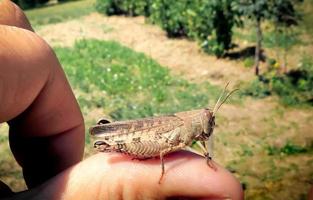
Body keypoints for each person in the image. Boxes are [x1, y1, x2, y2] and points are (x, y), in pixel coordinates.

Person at [0, 0, 243, 199]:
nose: (209, 123)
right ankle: (112, 138)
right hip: (147, 137)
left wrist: (207, 157)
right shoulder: (181, 129)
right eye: (207, 118)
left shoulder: (192, 134)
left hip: (157, 139)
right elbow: (161, 151)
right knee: (151, 139)